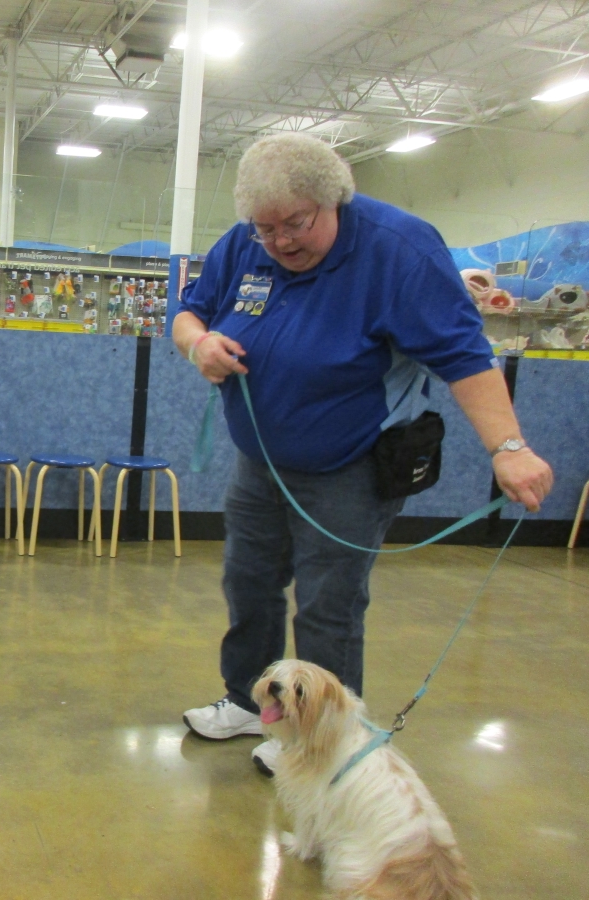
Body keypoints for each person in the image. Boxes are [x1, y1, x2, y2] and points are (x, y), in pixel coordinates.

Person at [172, 134, 552, 775]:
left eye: (295, 224)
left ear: (334, 201)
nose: (279, 241)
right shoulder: (246, 242)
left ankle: (324, 739)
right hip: (260, 461)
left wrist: (508, 448)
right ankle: (250, 702)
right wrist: (198, 344)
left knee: (329, 605)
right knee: (249, 583)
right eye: (265, 228)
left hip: (350, 463)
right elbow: (190, 313)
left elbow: (464, 355)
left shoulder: (399, 250)